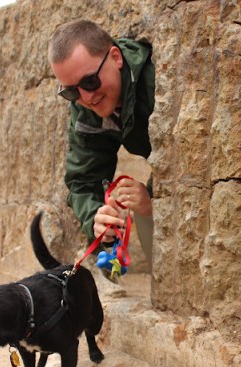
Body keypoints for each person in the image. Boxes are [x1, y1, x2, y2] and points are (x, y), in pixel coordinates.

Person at [48, 20, 155, 264]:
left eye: (90, 82)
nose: (86, 98)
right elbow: (83, 182)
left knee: (147, 206)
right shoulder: (84, 110)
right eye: (71, 92)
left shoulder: (155, 81)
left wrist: (152, 198)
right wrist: (96, 219)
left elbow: (191, 155)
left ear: (116, 58)